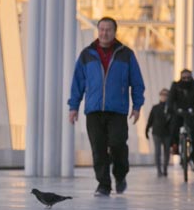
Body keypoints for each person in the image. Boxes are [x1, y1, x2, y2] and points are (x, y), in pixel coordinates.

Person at [68, 16, 145, 197]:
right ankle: (103, 184)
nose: (104, 33)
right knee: (98, 148)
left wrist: (137, 106)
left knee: (118, 144)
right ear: (98, 31)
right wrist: (73, 106)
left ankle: (120, 175)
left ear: (114, 32)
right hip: (94, 110)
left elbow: (137, 82)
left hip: (117, 110)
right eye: (101, 29)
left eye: (108, 30)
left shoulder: (126, 54)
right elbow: (77, 82)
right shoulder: (87, 54)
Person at [167, 69, 194, 175]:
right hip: (179, 113)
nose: (186, 80)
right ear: (181, 77)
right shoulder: (175, 86)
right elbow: (170, 99)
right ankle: (174, 146)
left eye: (188, 78)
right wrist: (170, 108)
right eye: (184, 78)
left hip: (193, 113)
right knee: (173, 126)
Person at [144, 89, 171, 177]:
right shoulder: (155, 108)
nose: (164, 96)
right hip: (156, 133)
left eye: (166, 95)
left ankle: (165, 169)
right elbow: (150, 120)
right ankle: (159, 170)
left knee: (167, 152)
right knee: (158, 152)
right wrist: (146, 130)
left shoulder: (170, 108)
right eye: (162, 94)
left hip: (167, 133)